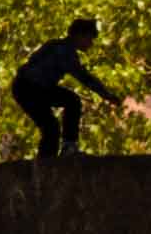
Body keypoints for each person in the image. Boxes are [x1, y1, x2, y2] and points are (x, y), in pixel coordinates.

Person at [12, 18, 122, 158]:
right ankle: (69, 148)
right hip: (30, 88)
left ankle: (47, 163)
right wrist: (106, 94)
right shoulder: (64, 50)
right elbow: (83, 76)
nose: (90, 43)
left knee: (51, 127)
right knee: (72, 101)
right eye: (89, 39)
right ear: (79, 35)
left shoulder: (57, 45)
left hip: (25, 88)